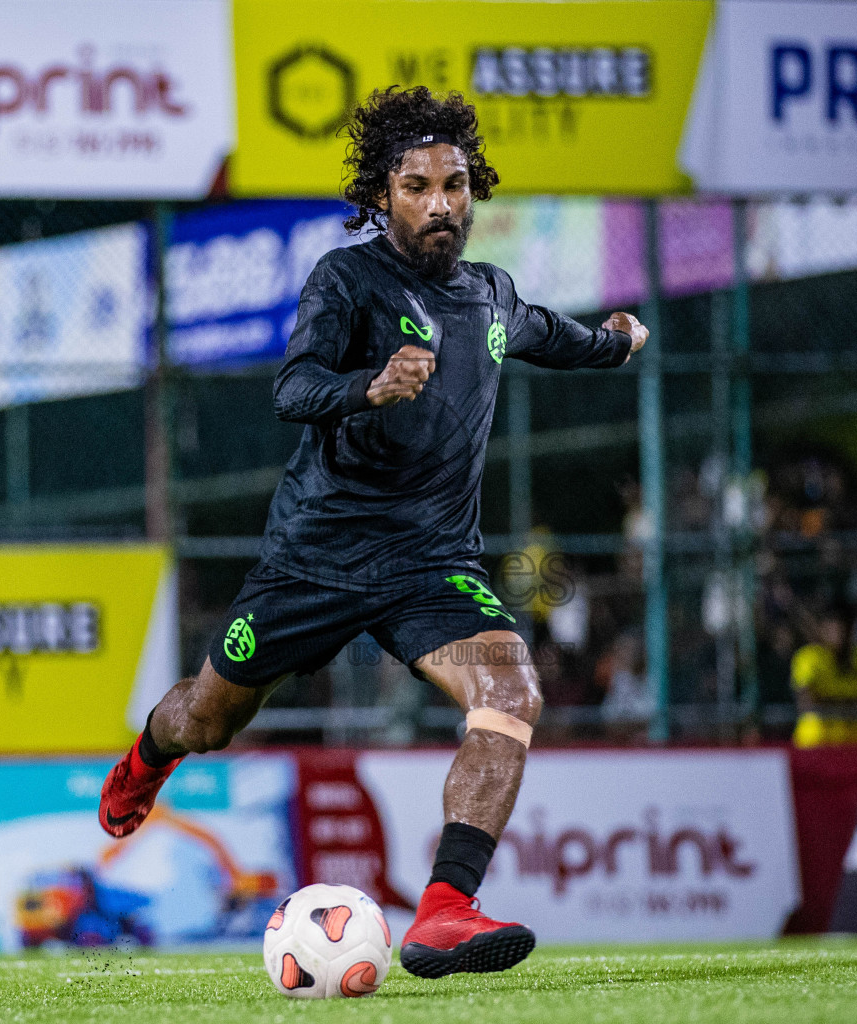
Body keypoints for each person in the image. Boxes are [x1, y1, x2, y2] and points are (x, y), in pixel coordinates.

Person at [97, 86, 646, 978]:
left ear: (474, 189)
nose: (440, 203)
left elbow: (550, 333)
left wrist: (616, 343)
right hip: (314, 556)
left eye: (456, 184)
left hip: (432, 563)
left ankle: (445, 910)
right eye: (419, 185)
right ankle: (146, 759)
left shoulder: (492, 294)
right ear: (382, 195)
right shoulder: (345, 279)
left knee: (511, 692)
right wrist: (370, 387)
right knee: (206, 720)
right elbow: (292, 388)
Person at [790, 600, 857, 747]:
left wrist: (829, 701)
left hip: (854, 747)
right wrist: (854, 704)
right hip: (814, 746)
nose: (839, 630)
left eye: (844, 623)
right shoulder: (809, 657)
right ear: (821, 628)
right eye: (832, 624)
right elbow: (806, 701)